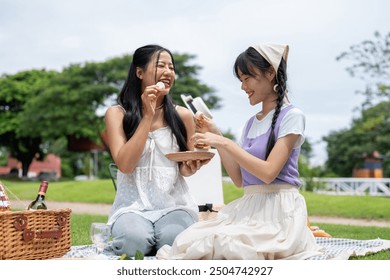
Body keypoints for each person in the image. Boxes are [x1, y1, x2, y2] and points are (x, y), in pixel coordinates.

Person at [156, 43, 324, 260]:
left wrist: (225, 143)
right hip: (250, 208)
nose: (243, 87)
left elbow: (268, 172)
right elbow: (239, 179)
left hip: (279, 212)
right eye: (241, 80)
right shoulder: (251, 124)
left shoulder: (292, 115)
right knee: (189, 240)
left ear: (270, 73)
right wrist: (218, 137)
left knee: (227, 244)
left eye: (247, 78)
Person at [104, 44, 209, 257]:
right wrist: (147, 116)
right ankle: (146, 239)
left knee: (173, 240)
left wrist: (195, 163)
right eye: (161, 65)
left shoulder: (182, 116)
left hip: (174, 205)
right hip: (132, 207)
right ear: (139, 72)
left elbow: (185, 169)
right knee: (134, 242)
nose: (168, 72)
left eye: (171, 67)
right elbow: (124, 165)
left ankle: (156, 241)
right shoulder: (117, 113)